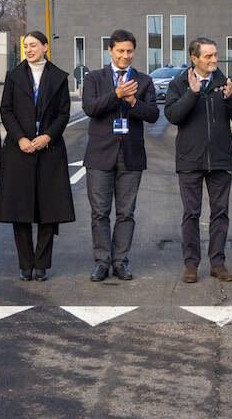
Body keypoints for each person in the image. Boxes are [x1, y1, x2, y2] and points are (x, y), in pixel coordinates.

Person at [0, 31, 75, 281]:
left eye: (33, 45)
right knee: (21, 211)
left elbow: (63, 113)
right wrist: (21, 138)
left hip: (49, 151)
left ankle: (42, 265)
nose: (29, 50)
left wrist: (48, 136)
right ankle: (25, 265)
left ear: (45, 47)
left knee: (49, 211)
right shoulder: (14, 76)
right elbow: (5, 110)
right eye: (25, 46)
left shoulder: (58, 77)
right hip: (20, 152)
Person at [164, 37, 232, 283]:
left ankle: (218, 263)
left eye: (215, 55)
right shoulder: (179, 83)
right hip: (190, 159)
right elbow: (173, 115)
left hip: (220, 158)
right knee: (191, 213)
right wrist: (192, 93)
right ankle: (191, 264)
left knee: (220, 213)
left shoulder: (226, 83)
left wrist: (231, 98)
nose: (214, 60)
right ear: (194, 59)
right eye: (208, 56)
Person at [82, 29, 159, 282]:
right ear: (110, 51)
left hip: (131, 156)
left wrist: (133, 101)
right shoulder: (94, 78)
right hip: (100, 156)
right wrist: (116, 95)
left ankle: (121, 261)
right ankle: (102, 262)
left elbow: (153, 115)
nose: (125, 56)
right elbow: (90, 108)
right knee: (100, 212)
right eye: (120, 51)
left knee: (126, 213)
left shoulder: (144, 80)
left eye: (129, 51)